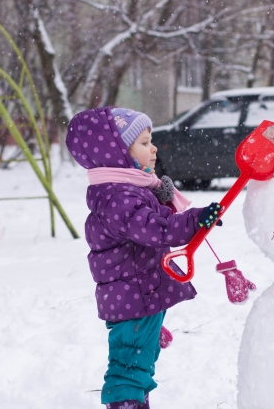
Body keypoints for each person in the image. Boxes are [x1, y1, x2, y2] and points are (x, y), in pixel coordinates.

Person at [65, 107, 222, 409]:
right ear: (118, 154)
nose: (153, 148)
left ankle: (137, 400)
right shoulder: (118, 197)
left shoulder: (127, 190)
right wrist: (194, 220)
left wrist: (168, 203)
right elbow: (153, 228)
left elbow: (152, 219)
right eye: (144, 142)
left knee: (140, 359)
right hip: (134, 297)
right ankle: (126, 403)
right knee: (129, 364)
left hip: (139, 293)